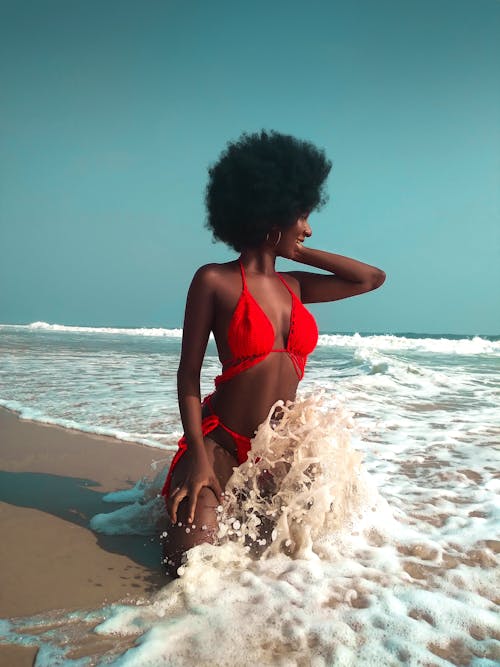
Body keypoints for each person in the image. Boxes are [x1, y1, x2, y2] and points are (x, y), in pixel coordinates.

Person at [161, 130, 385, 575]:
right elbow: (188, 377)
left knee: (308, 558)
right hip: (222, 445)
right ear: (270, 214)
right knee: (189, 566)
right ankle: (186, 480)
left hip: (279, 451)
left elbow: (370, 278)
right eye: (301, 217)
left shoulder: (295, 287)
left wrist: (298, 249)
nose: (308, 227)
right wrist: (201, 462)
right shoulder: (214, 280)